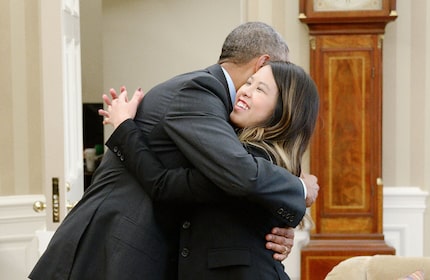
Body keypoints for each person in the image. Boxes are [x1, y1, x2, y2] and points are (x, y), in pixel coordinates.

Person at [29, 22, 318, 280]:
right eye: (270, 76)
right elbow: (237, 172)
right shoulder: (200, 91)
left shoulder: (234, 125)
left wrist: (273, 224)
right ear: (261, 63)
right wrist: (299, 190)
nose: (249, 92)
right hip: (112, 245)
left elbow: (235, 177)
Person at [103, 60, 319, 279]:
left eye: (260, 89)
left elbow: (163, 185)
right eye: (249, 82)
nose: (245, 91)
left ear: (283, 112)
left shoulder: (248, 160)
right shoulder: (262, 158)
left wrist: (124, 126)